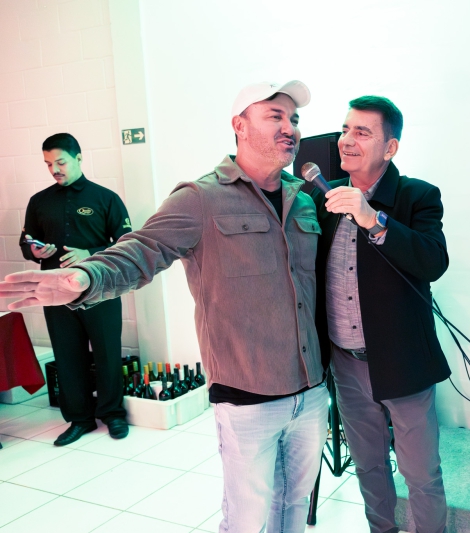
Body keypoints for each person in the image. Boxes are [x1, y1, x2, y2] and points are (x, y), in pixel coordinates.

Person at [1, 81, 327, 533]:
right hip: (248, 396)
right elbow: (143, 249)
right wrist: (86, 277)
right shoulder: (201, 197)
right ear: (239, 125)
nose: (289, 127)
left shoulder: (305, 200)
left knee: (294, 505)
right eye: (275, 116)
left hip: (311, 390)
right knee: (247, 519)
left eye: (294, 119)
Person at [312, 96, 451, 533]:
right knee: (369, 466)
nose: (346, 140)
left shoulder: (417, 196)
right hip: (345, 362)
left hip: (403, 361)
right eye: (345, 129)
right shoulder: (324, 197)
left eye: (362, 132)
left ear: (390, 147)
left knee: (421, 473)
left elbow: (433, 261)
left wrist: (372, 218)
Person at [19, 133, 132, 445]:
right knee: (68, 355)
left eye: (61, 162)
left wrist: (90, 253)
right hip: (55, 292)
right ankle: (80, 419)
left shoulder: (105, 198)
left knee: (107, 352)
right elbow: (26, 243)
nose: (54, 169)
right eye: (48, 164)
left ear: (79, 158)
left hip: (101, 289)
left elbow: (127, 244)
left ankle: (113, 414)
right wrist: (34, 251)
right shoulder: (39, 201)